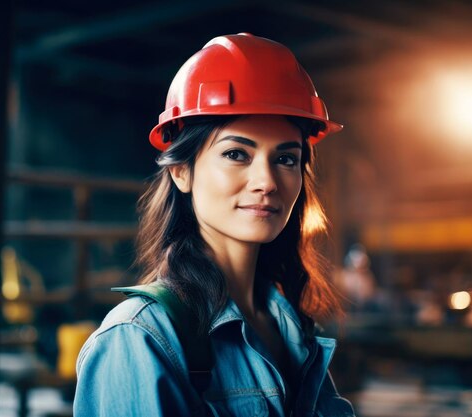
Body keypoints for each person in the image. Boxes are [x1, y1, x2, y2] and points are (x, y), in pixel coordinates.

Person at [74, 33, 356, 417]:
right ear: (181, 172)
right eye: (237, 154)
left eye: (286, 159)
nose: (267, 181)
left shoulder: (292, 329)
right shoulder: (140, 338)